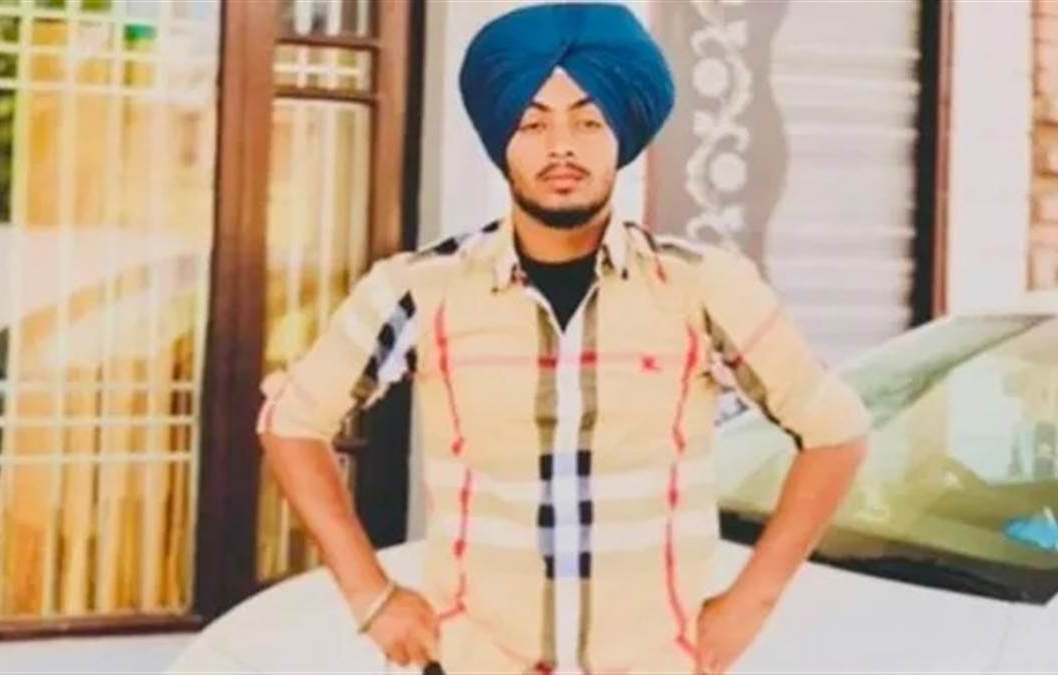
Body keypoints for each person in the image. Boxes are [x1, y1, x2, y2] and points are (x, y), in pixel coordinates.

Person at [256, 4, 870, 674]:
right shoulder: (421, 288)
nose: (561, 147)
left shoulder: (701, 288)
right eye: (533, 123)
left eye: (587, 120)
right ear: (502, 139)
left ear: (621, 135)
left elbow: (836, 431)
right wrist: (371, 596)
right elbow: (292, 422)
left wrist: (751, 602)